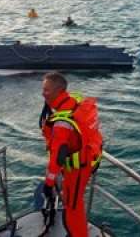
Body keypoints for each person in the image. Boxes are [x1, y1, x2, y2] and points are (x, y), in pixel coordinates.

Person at [40, 72, 102, 237]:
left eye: (46, 90)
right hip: (88, 160)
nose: (42, 93)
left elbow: (57, 158)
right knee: (73, 203)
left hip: (77, 170)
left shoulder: (62, 124)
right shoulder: (74, 101)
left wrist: (49, 183)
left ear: (59, 91)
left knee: (73, 208)